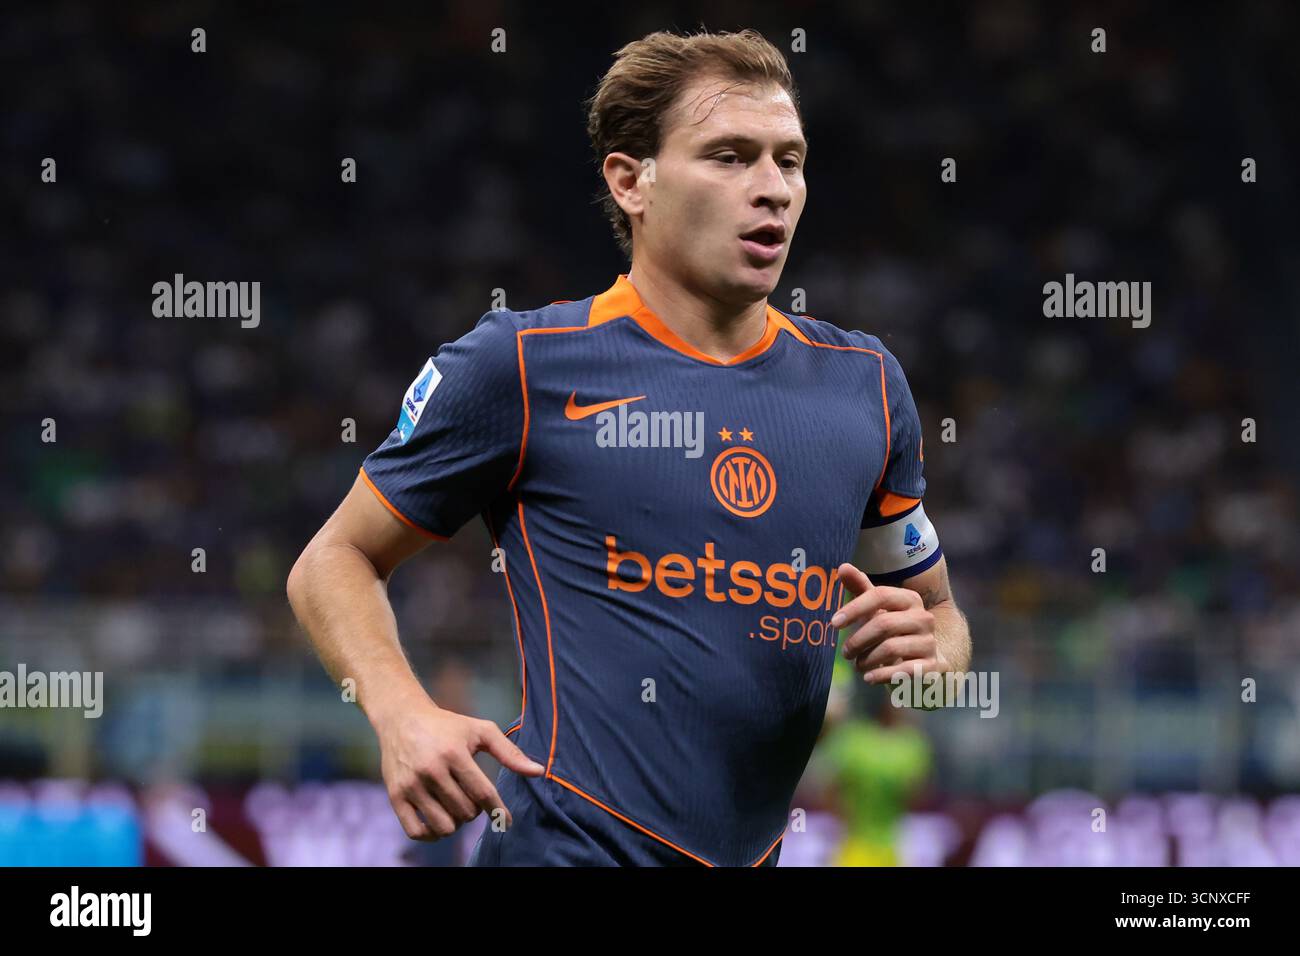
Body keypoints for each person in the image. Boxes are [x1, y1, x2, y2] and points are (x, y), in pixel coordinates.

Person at [287, 27, 970, 867]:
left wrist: (934, 649)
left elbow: (939, 620)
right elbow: (333, 559)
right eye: (728, 157)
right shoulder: (521, 365)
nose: (772, 190)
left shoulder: (864, 386)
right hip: (564, 847)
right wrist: (402, 712)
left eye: (788, 161)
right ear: (630, 180)